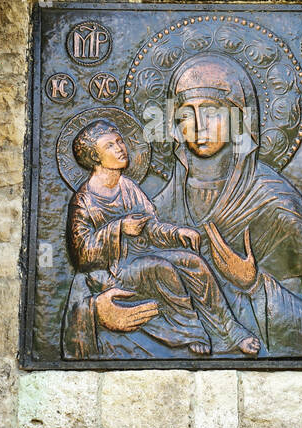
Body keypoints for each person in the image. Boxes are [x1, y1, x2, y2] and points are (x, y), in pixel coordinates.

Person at [150, 54, 302, 358]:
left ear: (237, 119)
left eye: (212, 112)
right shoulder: (159, 206)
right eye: (186, 114)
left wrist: (253, 284)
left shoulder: (277, 206)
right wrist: (99, 310)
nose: (198, 126)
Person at [61, 119, 261, 358]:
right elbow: (82, 255)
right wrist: (119, 228)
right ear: (95, 157)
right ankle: (192, 333)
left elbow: (150, 227)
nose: (120, 148)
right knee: (160, 267)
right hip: (112, 273)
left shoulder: (128, 187)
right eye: (110, 146)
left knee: (192, 262)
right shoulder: (83, 201)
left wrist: (177, 233)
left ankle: (229, 331)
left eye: (119, 141)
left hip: (138, 258)